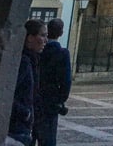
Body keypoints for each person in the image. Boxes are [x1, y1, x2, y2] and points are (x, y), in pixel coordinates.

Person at [8, 19, 48, 146]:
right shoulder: (23, 62)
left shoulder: (31, 59)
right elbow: (7, 94)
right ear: (30, 38)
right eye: (42, 35)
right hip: (16, 128)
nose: (46, 40)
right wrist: (25, 113)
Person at [34, 18, 72, 146]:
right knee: (48, 137)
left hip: (34, 97)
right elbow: (66, 81)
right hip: (51, 100)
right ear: (61, 33)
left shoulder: (38, 49)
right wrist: (60, 100)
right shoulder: (62, 53)